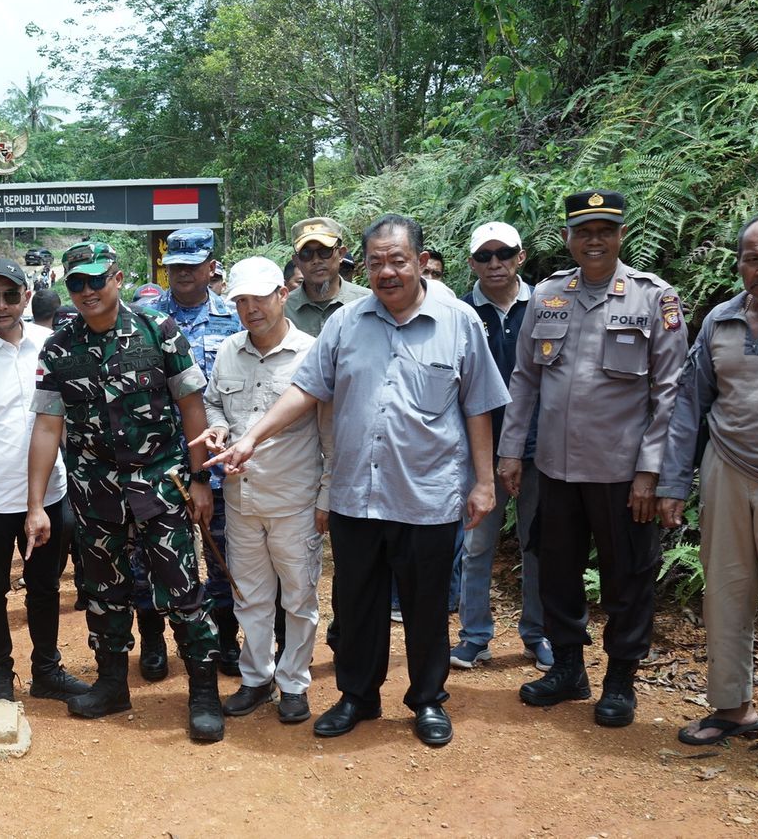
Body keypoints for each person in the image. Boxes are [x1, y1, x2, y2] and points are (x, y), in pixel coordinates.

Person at [209, 215, 508, 748]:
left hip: (427, 494)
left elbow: (479, 406)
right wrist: (252, 436)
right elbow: (305, 390)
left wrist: (483, 483)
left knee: (424, 605)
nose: (387, 271)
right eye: (376, 263)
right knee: (358, 602)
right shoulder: (346, 322)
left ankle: (427, 701)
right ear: (362, 265)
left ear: (419, 261)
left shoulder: (459, 321)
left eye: (398, 260)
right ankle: (357, 696)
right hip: (356, 495)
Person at [499, 190, 687, 728]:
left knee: (627, 576)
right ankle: (568, 669)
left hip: (621, 473)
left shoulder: (654, 298)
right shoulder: (549, 296)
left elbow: (669, 393)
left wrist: (651, 471)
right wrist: (512, 450)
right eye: (584, 231)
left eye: (605, 229)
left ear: (621, 234)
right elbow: (525, 379)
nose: (595, 239)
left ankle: (621, 680)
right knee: (555, 570)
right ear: (568, 238)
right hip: (555, 469)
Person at [26, 240, 227, 743]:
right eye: (77, 283)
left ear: (116, 277)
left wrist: (201, 479)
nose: (88, 291)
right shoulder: (58, 348)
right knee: (102, 592)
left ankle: (203, 691)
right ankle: (113, 683)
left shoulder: (156, 330)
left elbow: (192, 409)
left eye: (97, 279)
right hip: (95, 492)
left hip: (160, 484)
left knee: (182, 591)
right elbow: (48, 427)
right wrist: (36, 504)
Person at [661, 213, 758, 769]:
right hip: (725, 472)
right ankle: (731, 708)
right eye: (752, 258)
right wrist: (674, 482)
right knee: (725, 595)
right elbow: (689, 404)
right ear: (739, 265)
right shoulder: (720, 321)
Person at [0, 259, 92, 703]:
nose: (2, 305)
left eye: (11, 295)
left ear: (28, 296)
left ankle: (47, 668)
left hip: (50, 493)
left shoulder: (53, 344)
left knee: (45, 585)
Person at [198, 257, 331, 725]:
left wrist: (326, 496)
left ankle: (293, 683)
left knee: (298, 597)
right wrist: (216, 429)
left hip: (294, 498)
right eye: (240, 300)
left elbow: (330, 432)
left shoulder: (312, 352)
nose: (250, 308)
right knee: (250, 595)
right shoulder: (230, 350)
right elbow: (214, 401)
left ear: (281, 294)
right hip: (241, 497)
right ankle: (256, 678)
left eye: (258, 298)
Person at [449, 223, 558, 671]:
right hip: (479, 447)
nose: (495, 263)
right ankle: (475, 635)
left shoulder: (549, 305)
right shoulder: (460, 312)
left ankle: (537, 634)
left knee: (538, 544)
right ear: (472, 262)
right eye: (485, 256)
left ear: (520, 256)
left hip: (538, 446)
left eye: (504, 253)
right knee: (476, 546)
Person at [148, 227, 245, 676]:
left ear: (211, 267)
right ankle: (152, 643)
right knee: (148, 559)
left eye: (193, 264)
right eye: (175, 266)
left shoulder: (235, 318)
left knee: (222, 557)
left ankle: (225, 639)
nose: (183, 273)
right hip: (157, 465)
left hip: (217, 464)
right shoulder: (143, 317)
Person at [284, 217, 372, 337]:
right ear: (297, 261)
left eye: (325, 251)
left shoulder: (368, 303)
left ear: (341, 254)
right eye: (306, 254)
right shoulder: (282, 310)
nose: (316, 260)